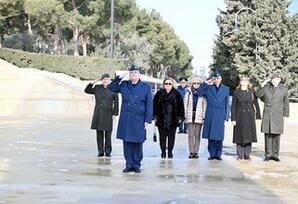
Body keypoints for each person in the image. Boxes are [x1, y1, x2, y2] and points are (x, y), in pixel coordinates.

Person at [108, 64, 153, 173]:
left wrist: (147, 120)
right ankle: (129, 164)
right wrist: (119, 77)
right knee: (127, 142)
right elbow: (111, 87)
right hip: (127, 118)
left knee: (138, 142)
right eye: (131, 72)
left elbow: (149, 104)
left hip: (139, 119)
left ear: (139, 74)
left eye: (135, 72)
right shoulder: (123, 85)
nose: (133, 74)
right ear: (129, 74)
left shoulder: (145, 87)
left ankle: (136, 164)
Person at [197, 69, 229, 160]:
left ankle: (218, 154)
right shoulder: (208, 88)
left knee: (219, 136)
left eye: (218, 78)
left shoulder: (226, 89)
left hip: (220, 113)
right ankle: (212, 154)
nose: (217, 80)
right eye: (215, 78)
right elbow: (198, 93)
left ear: (221, 79)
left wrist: (226, 116)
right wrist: (205, 83)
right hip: (210, 113)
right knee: (211, 136)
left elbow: (227, 103)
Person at [257, 72, 289, 162]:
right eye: (273, 79)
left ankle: (275, 155)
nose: (275, 81)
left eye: (277, 79)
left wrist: (285, 114)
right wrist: (263, 84)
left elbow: (286, 102)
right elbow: (258, 95)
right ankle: (268, 154)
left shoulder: (284, 89)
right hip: (268, 114)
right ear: (271, 80)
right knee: (268, 135)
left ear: (279, 80)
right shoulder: (266, 87)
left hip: (278, 114)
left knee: (276, 136)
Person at [84, 73, 119, 157]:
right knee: (99, 133)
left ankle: (108, 151)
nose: (105, 80)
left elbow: (116, 102)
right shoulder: (97, 88)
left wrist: (115, 113)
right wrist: (95, 81)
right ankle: (100, 151)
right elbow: (87, 90)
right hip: (98, 113)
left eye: (107, 79)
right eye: (103, 79)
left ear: (109, 80)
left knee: (108, 133)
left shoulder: (113, 89)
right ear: (101, 80)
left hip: (108, 113)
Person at [153, 77, 185, 159]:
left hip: (173, 119)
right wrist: (154, 116)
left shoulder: (177, 94)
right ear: (163, 85)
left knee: (171, 137)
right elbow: (154, 105)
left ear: (172, 84)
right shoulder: (159, 93)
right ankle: (163, 152)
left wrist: (181, 116)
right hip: (161, 119)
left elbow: (181, 106)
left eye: (169, 84)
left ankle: (170, 152)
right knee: (162, 137)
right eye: (166, 83)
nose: (167, 85)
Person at [231, 75, 261, 161]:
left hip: (249, 116)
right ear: (240, 82)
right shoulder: (236, 92)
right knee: (239, 136)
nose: (244, 81)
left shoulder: (252, 92)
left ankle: (247, 154)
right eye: (242, 80)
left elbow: (256, 103)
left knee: (249, 135)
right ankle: (240, 155)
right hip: (239, 116)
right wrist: (233, 118)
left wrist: (258, 115)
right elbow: (233, 106)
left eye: (245, 80)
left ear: (248, 82)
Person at [184, 76, 206, 159]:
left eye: (198, 83)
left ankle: (196, 152)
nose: (196, 85)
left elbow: (204, 105)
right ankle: (191, 152)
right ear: (192, 84)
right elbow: (185, 104)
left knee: (197, 135)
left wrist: (203, 117)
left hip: (199, 115)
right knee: (191, 134)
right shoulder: (188, 92)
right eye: (194, 83)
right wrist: (185, 115)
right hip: (190, 115)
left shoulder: (202, 93)